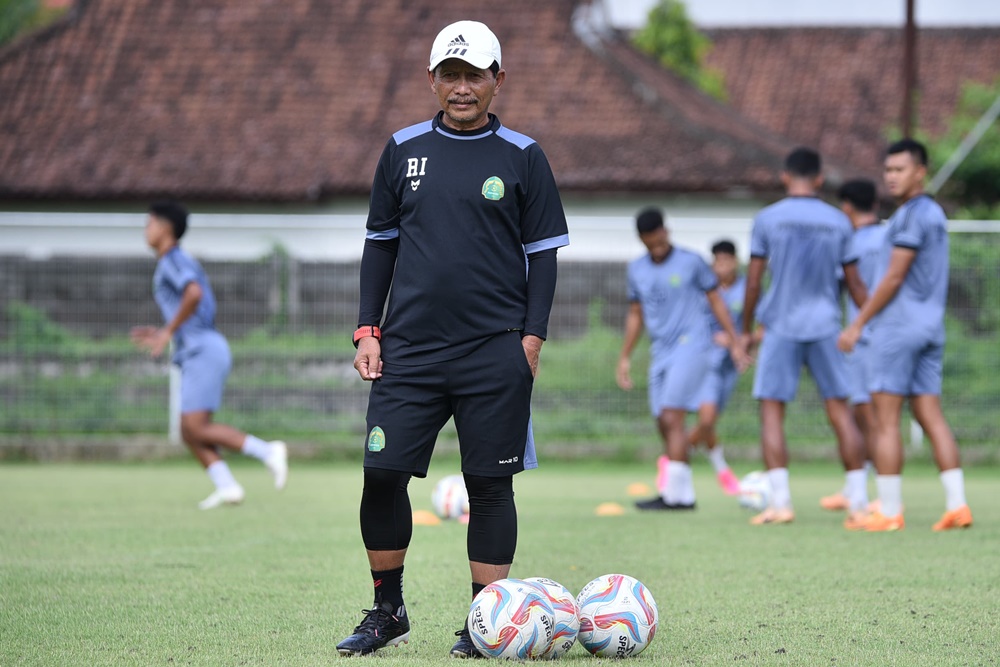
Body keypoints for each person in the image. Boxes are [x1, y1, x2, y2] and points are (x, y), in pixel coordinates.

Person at [335, 20, 569, 659]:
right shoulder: (401, 149)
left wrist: (532, 340)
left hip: (494, 350)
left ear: (498, 80)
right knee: (382, 474)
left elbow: (544, 256)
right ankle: (388, 612)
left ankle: (482, 622)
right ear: (432, 80)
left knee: (489, 486)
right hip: (408, 350)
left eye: (474, 75)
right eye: (450, 75)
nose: (461, 87)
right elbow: (380, 245)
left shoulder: (523, 156)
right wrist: (368, 328)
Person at [839, 139, 973, 532]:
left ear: (921, 172)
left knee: (884, 420)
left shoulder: (912, 215)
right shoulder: (933, 213)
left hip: (898, 329)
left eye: (900, 169)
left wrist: (858, 323)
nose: (892, 177)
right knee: (930, 414)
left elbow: (894, 276)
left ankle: (889, 510)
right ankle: (957, 505)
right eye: (888, 170)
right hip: (930, 327)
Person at [739, 147, 869, 528]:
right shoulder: (839, 221)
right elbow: (855, 283)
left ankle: (781, 503)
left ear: (785, 177)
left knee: (772, 411)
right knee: (840, 410)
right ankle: (859, 503)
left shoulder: (768, 218)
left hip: (780, 325)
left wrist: (745, 330)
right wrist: (865, 325)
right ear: (819, 179)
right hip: (827, 324)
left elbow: (753, 281)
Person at [131, 201, 288, 510]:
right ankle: (227, 487)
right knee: (189, 429)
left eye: (149, 223)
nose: (145, 230)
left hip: (203, 348)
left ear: (165, 227)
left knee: (196, 426)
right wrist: (166, 331)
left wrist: (167, 332)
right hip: (198, 348)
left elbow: (194, 294)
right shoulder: (173, 260)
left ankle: (268, 451)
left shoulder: (172, 259)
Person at [617, 210, 748, 511]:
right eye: (650, 244)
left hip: (692, 345)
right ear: (642, 240)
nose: (657, 248)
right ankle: (683, 494)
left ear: (666, 232)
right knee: (663, 421)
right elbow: (636, 314)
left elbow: (715, 301)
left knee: (673, 416)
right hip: (660, 351)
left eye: (660, 241)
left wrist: (735, 340)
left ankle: (674, 497)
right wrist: (625, 356)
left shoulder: (692, 262)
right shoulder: (637, 269)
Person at [819, 179, 885, 512]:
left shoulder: (849, 242)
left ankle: (880, 493)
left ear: (846, 207)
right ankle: (858, 488)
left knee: (868, 415)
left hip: (861, 338)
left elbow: (838, 283)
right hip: (889, 334)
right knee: (873, 414)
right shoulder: (890, 237)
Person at [686, 240, 749, 496]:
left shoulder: (748, 289)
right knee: (707, 419)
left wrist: (743, 343)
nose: (721, 266)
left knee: (710, 423)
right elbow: (692, 322)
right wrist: (715, 337)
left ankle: (718, 468)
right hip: (706, 361)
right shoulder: (705, 290)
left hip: (731, 365)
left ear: (735, 261)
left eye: (726, 261)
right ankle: (673, 459)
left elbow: (759, 327)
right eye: (717, 261)